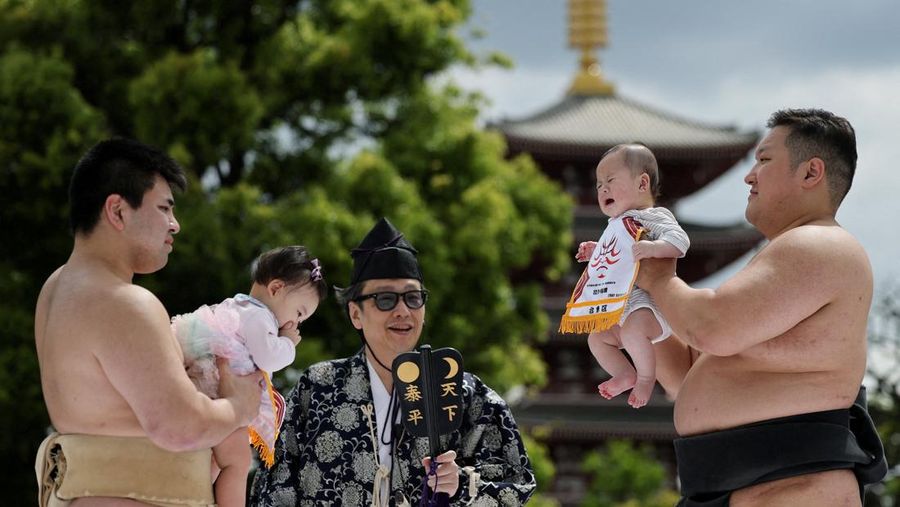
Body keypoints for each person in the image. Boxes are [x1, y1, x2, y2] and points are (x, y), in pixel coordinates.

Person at [636, 109, 887, 506]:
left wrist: (660, 280)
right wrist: (636, 307)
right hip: (730, 486)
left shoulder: (822, 245)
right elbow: (686, 375)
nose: (749, 175)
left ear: (811, 173)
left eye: (765, 160)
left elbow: (712, 327)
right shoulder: (782, 260)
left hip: (793, 488)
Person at [34, 138, 264, 507]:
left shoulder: (57, 288)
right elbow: (179, 426)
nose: (175, 225)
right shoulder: (124, 302)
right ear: (118, 211)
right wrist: (239, 406)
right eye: (164, 208)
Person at [249, 218, 537, 506]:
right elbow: (273, 486)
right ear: (355, 314)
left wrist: (462, 484)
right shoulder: (317, 387)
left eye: (413, 298)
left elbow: (518, 484)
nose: (402, 310)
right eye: (385, 299)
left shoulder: (465, 393)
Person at [171, 246, 327, 507]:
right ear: (276, 288)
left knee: (214, 458)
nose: (296, 324)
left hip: (208, 391)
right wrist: (288, 344)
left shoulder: (238, 305)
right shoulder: (259, 317)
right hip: (220, 391)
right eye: (299, 313)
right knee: (238, 460)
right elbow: (268, 358)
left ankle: (188, 497)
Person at [569, 144, 689, 408]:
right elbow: (615, 255)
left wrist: (654, 248)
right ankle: (624, 373)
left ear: (642, 183)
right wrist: (596, 250)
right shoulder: (615, 225)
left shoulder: (652, 216)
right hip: (622, 309)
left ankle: (646, 379)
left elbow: (680, 241)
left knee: (634, 332)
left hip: (650, 308)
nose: (603, 189)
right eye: (599, 184)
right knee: (596, 337)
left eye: (611, 180)